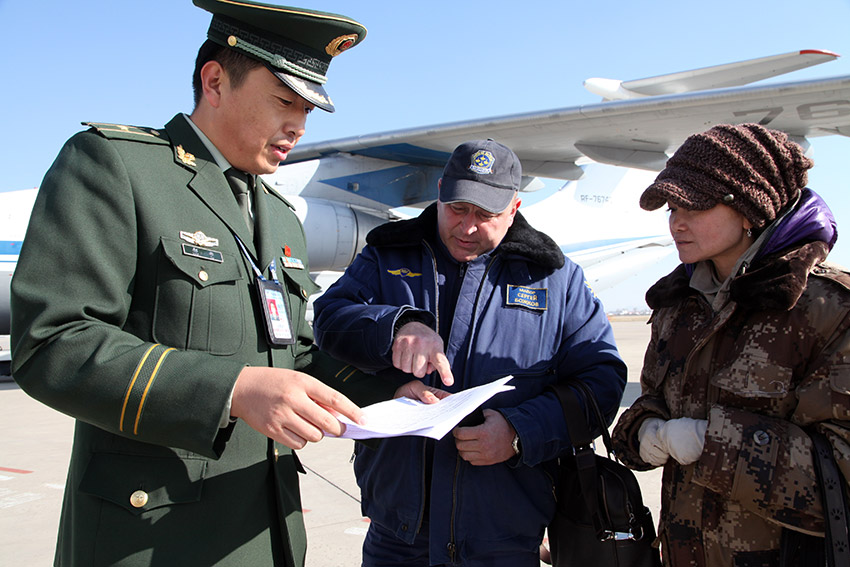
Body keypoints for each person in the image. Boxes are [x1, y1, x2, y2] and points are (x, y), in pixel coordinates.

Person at [9, 1, 438, 565]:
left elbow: (294, 354)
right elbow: (54, 341)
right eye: (285, 101)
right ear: (215, 81)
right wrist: (230, 390)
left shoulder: (280, 216)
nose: (299, 126)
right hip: (151, 534)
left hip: (266, 527)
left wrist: (387, 393)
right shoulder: (116, 168)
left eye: (309, 110)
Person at [312, 139, 628, 567]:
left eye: (486, 215)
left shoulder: (556, 279)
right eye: (457, 208)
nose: (467, 227)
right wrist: (395, 326)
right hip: (398, 533)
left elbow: (602, 382)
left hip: (503, 536)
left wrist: (520, 432)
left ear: (514, 208)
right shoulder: (386, 255)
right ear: (439, 192)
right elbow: (328, 319)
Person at [611, 123, 850, 567]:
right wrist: (643, 432)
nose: (676, 223)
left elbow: (841, 468)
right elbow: (651, 402)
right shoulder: (677, 306)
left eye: (694, 207)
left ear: (749, 211)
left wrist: (711, 443)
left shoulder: (827, 310)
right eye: (671, 208)